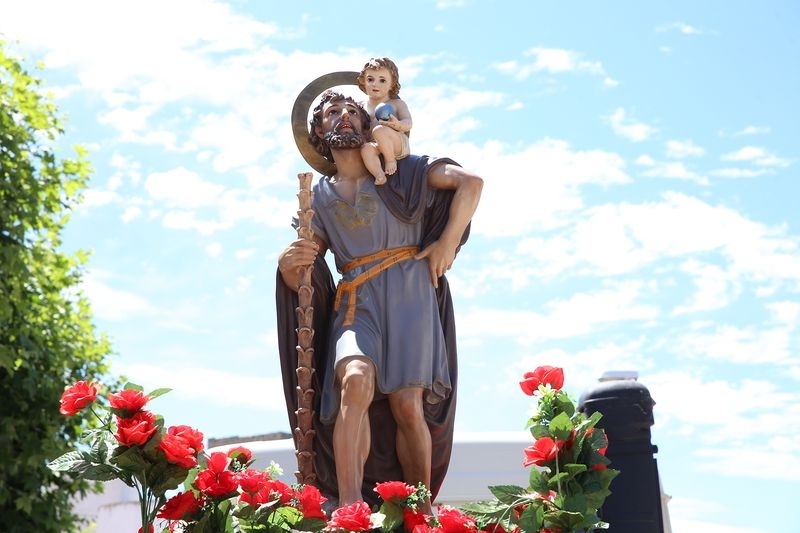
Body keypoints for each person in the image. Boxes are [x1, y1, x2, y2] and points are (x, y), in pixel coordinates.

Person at [276, 90, 482, 511]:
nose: (346, 116)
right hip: (358, 298)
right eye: (334, 112)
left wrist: (445, 243)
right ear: (318, 131)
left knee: (409, 404)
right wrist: (287, 263)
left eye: (353, 110)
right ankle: (350, 508)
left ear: (368, 122)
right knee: (353, 379)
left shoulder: (405, 172)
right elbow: (307, 271)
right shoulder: (318, 199)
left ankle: (419, 507)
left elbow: (471, 183)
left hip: (411, 293)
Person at [357, 57, 412, 186]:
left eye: (382, 80)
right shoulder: (360, 107)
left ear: (392, 84)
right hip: (376, 145)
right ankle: (379, 175)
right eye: (370, 79)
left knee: (379, 130)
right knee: (366, 149)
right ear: (363, 82)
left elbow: (409, 122)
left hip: (396, 143)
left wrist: (398, 125)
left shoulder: (397, 104)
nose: (375, 84)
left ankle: (390, 160)